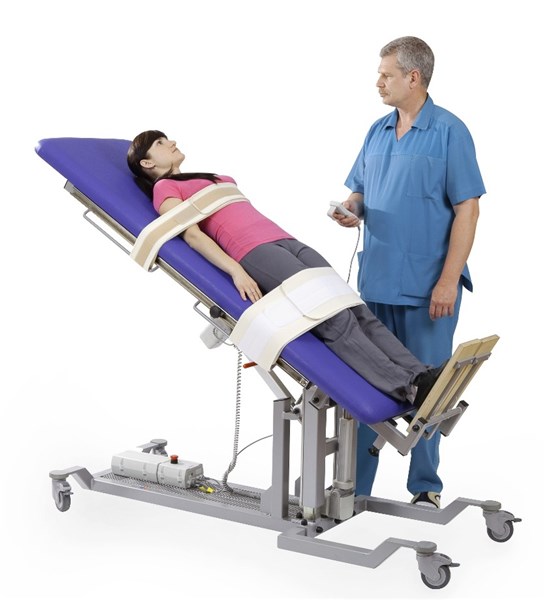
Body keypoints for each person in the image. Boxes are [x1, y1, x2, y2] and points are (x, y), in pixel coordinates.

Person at [127, 129, 445, 408]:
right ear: (147, 163)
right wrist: (236, 270)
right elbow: (192, 235)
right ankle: (407, 387)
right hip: (254, 251)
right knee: (335, 320)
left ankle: (421, 374)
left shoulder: (206, 178)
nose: (171, 142)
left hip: (285, 241)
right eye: (160, 143)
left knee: (355, 309)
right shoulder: (164, 188)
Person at [333, 36, 485, 507]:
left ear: (413, 77)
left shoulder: (449, 132)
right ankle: (354, 489)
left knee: (429, 392)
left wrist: (448, 280)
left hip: (427, 289)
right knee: (366, 390)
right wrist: (350, 209)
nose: (378, 82)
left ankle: (425, 488)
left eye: (387, 75)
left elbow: (467, 209)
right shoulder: (377, 131)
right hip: (376, 282)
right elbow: (359, 191)